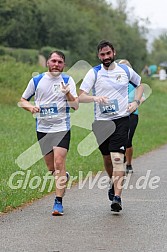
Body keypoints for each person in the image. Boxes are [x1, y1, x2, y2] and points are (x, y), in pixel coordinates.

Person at [79, 40, 143, 212]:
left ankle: (117, 197)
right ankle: (112, 183)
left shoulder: (125, 70)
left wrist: (136, 102)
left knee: (117, 158)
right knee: (107, 159)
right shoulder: (94, 72)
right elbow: (80, 96)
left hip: (121, 120)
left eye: (108, 53)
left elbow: (140, 85)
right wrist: (95, 98)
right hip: (101, 122)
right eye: (102, 54)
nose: (106, 57)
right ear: (98, 56)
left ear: (114, 52)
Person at [20, 50, 79, 216]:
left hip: (61, 128)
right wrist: (31, 107)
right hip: (43, 128)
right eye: (53, 61)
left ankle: (58, 202)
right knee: (51, 167)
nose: (56, 64)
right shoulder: (37, 80)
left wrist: (66, 92)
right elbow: (23, 99)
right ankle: (63, 176)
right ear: (47, 62)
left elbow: (75, 106)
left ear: (64, 65)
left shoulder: (67, 80)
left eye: (60, 62)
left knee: (59, 162)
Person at [119, 59, 145, 173]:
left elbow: (142, 97)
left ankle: (128, 164)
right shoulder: (116, 83)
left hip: (132, 114)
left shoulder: (134, 83)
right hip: (118, 115)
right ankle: (120, 160)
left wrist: (135, 104)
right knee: (119, 139)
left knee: (128, 139)